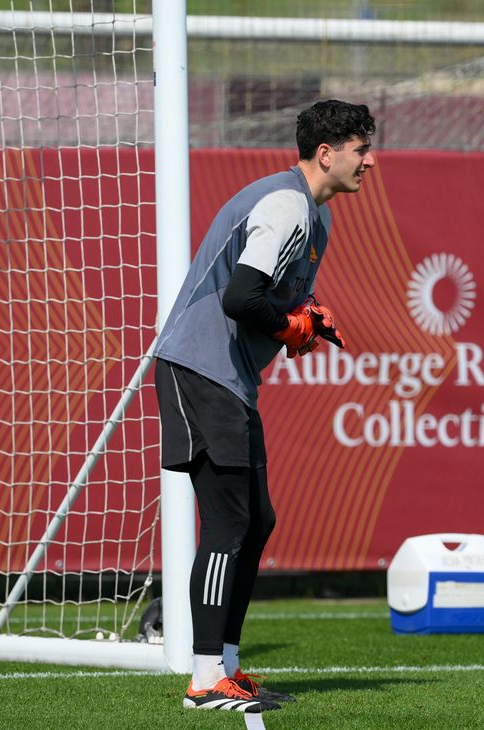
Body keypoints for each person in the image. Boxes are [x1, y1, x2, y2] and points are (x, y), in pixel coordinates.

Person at [154, 99, 376, 713]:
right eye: (361, 149)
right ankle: (202, 681)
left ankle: (226, 666)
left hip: (227, 380)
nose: (371, 161)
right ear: (326, 153)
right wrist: (289, 324)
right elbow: (241, 298)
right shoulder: (285, 205)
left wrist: (306, 319)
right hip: (199, 370)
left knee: (259, 521)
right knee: (228, 524)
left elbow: (268, 299)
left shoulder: (315, 217)